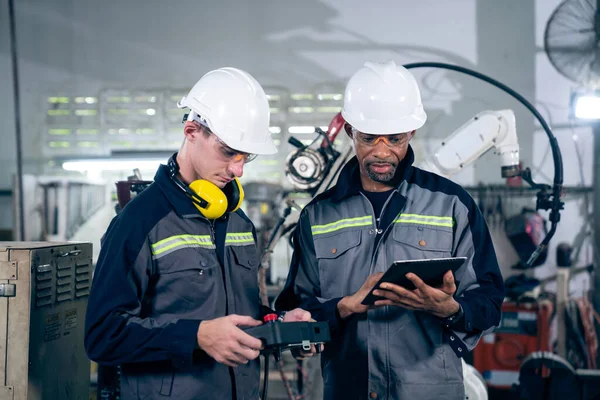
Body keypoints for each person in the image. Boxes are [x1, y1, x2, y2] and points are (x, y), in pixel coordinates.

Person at [275, 60, 505, 400]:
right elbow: (297, 312)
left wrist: (452, 310)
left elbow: (490, 300)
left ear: (411, 133)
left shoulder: (453, 205)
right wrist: (342, 308)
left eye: (395, 139)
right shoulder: (318, 216)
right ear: (351, 130)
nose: (382, 152)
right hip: (348, 390)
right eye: (369, 138)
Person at [85, 67, 315, 400]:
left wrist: (278, 322)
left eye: (245, 156)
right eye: (228, 151)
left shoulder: (238, 222)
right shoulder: (139, 222)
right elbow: (103, 335)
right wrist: (196, 335)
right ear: (192, 131)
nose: (237, 170)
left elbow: (244, 311)